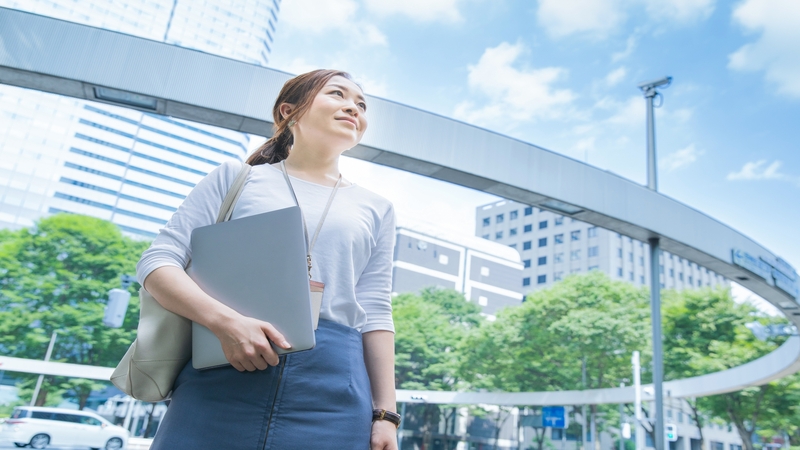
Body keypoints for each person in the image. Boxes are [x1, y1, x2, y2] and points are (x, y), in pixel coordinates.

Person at [136, 69, 399, 450]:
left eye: (361, 104)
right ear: (288, 112)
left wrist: (385, 414)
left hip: (334, 386)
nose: (352, 107)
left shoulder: (377, 208)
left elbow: (375, 311)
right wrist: (224, 322)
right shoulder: (235, 179)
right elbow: (158, 262)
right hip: (223, 367)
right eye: (337, 94)